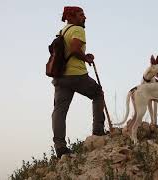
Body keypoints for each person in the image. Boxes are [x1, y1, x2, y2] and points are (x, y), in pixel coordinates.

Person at [51, 6, 105, 158]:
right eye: (81, 15)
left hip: (60, 77)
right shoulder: (78, 29)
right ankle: (98, 131)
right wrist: (86, 58)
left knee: (59, 111)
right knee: (97, 94)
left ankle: (60, 147)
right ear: (71, 16)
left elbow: (69, 50)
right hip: (76, 74)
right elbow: (75, 49)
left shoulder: (62, 31)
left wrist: (83, 54)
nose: (85, 17)